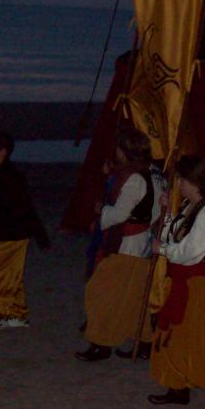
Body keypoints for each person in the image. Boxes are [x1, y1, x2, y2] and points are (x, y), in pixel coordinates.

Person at [148, 155, 205, 405]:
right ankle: (179, 386)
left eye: (182, 179)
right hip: (182, 280)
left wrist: (162, 249)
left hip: (197, 283)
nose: (179, 184)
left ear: (195, 180)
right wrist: (166, 216)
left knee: (191, 335)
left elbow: (190, 251)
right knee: (178, 334)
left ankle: (200, 376)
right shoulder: (187, 208)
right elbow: (171, 237)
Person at [77, 128, 163, 362]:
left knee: (101, 292)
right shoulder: (149, 174)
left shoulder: (135, 179)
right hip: (138, 243)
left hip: (128, 245)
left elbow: (120, 214)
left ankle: (101, 343)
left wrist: (101, 211)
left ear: (126, 151)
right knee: (136, 296)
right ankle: (144, 341)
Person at [0, 130, 50, 332]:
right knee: (12, 276)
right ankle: (17, 314)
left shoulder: (9, 176)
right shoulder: (2, 173)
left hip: (9, 235)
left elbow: (25, 206)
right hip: (14, 234)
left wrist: (40, 234)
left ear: (3, 151)